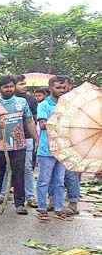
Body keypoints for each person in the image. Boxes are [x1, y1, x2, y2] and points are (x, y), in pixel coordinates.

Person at [0, 76, 38, 214]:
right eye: (6, 87)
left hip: (18, 145)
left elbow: (29, 122)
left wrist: (37, 139)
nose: (9, 89)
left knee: (19, 175)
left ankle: (20, 204)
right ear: (0, 88)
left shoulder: (22, 102)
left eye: (11, 86)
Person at [36, 75, 72, 221]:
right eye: (58, 87)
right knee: (44, 181)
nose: (61, 90)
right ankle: (42, 208)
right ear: (51, 88)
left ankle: (58, 208)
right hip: (47, 149)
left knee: (59, 181)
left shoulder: (68, 105)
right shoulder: (43, 105)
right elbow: (43, 125)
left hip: (63, 149)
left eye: (64, 87)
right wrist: (60, 121)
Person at [14, 75, 39, 208]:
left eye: (25, 83)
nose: (24, 86)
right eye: (21, 84)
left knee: (28, 167)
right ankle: (0, 196)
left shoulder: (30, 99)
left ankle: (30, 197)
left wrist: (36, 139)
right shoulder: (7, 99)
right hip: (10, 138)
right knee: (7, 169)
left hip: (27, 137)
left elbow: (33, 119)